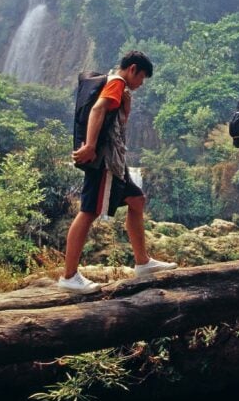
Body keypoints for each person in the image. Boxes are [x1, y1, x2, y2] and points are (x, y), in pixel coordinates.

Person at [61, 51, 177, 293]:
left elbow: (113, 120)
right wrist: (90, 146)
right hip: (103, 161)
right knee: (88, 212)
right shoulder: (117, 83)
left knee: (137, 200)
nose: (141, 84)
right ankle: (69, 276)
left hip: (114, 162)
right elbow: (98, 110)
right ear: (133, 69)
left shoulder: (118, 87)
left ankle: (142, 262)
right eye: (142, 77)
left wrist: (127, 106)